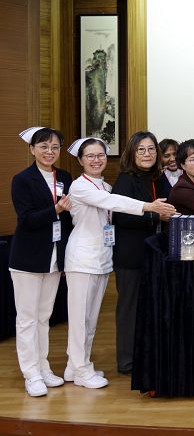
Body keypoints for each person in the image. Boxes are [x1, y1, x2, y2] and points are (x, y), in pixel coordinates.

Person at [65, 137, 175, 389]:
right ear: (80, 160)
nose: (96, 160)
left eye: (101, 155)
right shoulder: (80, 186)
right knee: (80, 318)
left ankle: (74, 366)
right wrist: (150, 207)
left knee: (90, 318)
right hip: (82, 258)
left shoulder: (104, 185)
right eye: (90, 156)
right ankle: (81, 369)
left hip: (102, 258)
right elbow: (115, 204)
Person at [9, 127, 73, 397]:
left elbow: (68, 223)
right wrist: (56, 209)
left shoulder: (65, 177)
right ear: (32, 149)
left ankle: (43, 366)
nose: (50, 152)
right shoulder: (22, 180)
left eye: (55, 147)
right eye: (44, 146)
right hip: (28, 258)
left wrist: (66, 258)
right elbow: (27, 219)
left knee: (44, 317)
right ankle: (31, 373)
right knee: (27, 319)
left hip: (54, 258)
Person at [111, 131, 171, 376]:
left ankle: (148, 354)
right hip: (131, 256)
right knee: (129, 308)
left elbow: (171, 205)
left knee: (152, 306)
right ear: (132, 153)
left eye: (151, 149)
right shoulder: (126, 179)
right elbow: (120, 216)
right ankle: (127, 361)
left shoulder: (159, 178)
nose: (147, 154)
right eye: (141, 150)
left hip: (156, 253)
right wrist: (155, 215)